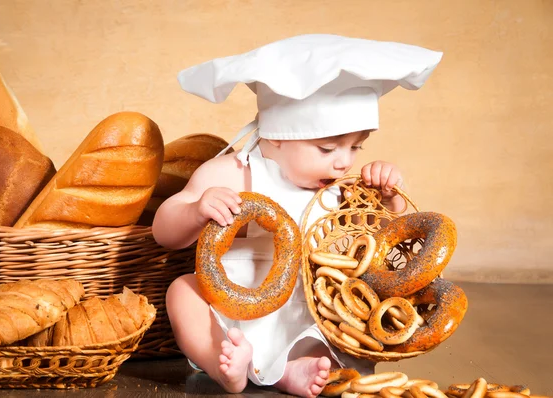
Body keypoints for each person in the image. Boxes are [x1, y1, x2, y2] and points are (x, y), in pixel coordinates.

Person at [152, 34, 442, 397]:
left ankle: (293, 370)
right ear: (275, 138)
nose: (345, 161)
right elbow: (163, 231)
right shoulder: (233, 172)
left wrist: (389, 196)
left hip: (315, 302)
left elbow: (384, 239)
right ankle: (223, 364)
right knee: (182, 292)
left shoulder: (347, 189)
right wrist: (197, 210)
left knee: (340, 328)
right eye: (327, 147)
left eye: (356, 146)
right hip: (232, 298)